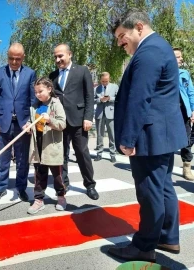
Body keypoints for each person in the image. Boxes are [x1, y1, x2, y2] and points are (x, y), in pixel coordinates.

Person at [108, 9, 187, 262]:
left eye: (122, 35)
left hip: (149, 135)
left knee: (149, 192)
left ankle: (144, 246)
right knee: (163, 188)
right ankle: (167, 236)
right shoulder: (158, 47)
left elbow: (139, 99)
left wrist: (128, 139)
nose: (120, 42)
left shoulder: (149, 52)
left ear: (139, 27)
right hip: (160, 132)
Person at [49, 44, 98, 200]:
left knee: (82, 154)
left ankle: (90, 185)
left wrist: (88, 117)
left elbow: (89, 96)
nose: (58, 59)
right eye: (56, 57)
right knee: (61, 156)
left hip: (79, 121)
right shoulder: (53, 76)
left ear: (69, 54)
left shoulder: (82, 71)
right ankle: (64, 184)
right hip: (60, 123)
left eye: (61, 56)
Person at [0, 42, 36, 202]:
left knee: (23, 159)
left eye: (18, 59)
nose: (14, 62)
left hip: (23, 124)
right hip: (3, 123)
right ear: (7, 57)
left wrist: (31, 120)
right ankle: (0, 187)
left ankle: (21, 188)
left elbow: (33, 99)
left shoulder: (30, 74)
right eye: (11, 58)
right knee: (3, 158)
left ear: (23, 57)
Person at [26, 77, 67, 214]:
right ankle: (38, 200)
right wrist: (28, 126)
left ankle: (61, 196)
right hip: (38, 144)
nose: (38, 94)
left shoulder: (56, 104)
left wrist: (50, 120)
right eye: (36, 92)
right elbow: (31, 121)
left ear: (49, 89)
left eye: (40, 91)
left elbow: (62, 124)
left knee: (57, 175)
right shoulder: (35, 106)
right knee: (39, 175)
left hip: (52, 144)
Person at [173, 47, 194, 181]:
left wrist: (193, 109)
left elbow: (191, 92)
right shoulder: (163, 73)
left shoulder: (184, 73)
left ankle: (186, 167)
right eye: (178, 57)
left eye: (181, 56)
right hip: (170, 113)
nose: (181, 59)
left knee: (186, 141)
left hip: (184, 111)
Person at [94, 72, 118, 163]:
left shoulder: (115, 87)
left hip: (110, 113)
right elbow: (92, 100)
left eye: (106, 81)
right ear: (100, 80)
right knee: (99, 135)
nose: (105, 83)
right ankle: (99, 153)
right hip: (99, 114)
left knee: (112, 135)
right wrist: (99, 99)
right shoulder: (96, 88)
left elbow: (119, 98)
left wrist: (110, 98)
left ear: (109, 79)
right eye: (103, 81)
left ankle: (112, 154)